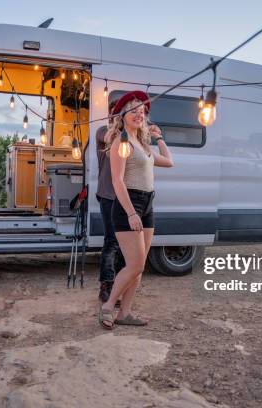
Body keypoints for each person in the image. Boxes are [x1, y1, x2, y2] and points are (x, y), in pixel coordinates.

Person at [98, 90, 174, 329]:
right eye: (133, 110)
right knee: (135, 264)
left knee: (138, 267)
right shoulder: (121, 142)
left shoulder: (142, 145)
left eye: (142, 112)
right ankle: (108, 307)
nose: (138, 115)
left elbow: (169, 162)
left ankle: (125, 313)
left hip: (148, 203)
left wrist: (159, 137)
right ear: (122, 114)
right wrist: (131, 212)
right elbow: (117, 181)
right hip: (129, 204)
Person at [95, 99, 126, 303]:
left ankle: (121, 284)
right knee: (111, 240)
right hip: (108, 194)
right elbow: (109, 137)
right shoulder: (103, 131)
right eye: (116, 112)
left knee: (125, 243)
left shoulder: (129, 134)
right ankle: (106, 286)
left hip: (126, 195)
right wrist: (118, 122)